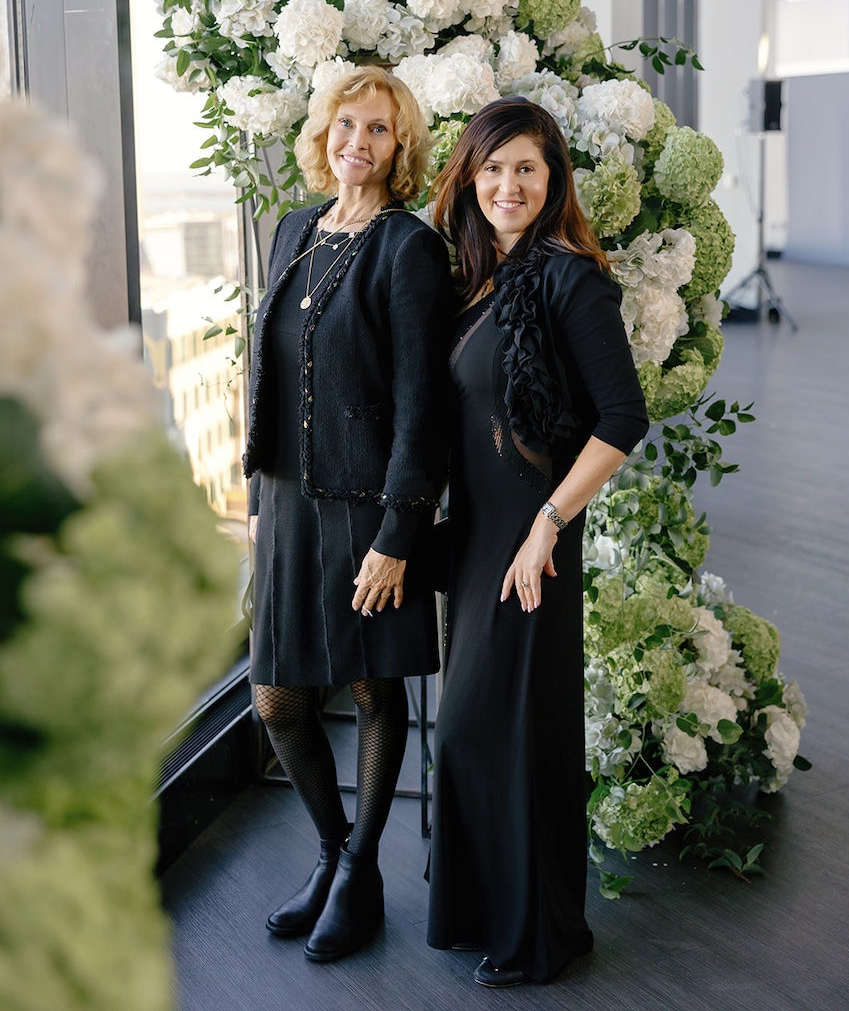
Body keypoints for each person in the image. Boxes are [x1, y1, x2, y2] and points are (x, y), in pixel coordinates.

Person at [426, 97, 649, 988]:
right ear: (470, 177)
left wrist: (548, 525)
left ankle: (540, 938)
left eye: (525, 167)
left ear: (553, 179)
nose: (506, 184)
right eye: (491, 168)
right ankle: (495, 917)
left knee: (505, 732)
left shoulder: (568, 276)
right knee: (480, 731)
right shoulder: (479, 277)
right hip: (481, 535)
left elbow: (623, 419)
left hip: (533, 544)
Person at [244, 66, 451, 963]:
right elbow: (274, 371)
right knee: (276, 696)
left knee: (372, 685)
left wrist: (399, 536)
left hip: (367, 507)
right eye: (346, 124)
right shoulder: (293, 228)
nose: (356, 142)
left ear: (399, 147)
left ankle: (362, 870)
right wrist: (258, 499)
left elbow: (422, 405)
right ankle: (334, 854)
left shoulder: (409, 247)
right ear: (324, 132)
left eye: (378, 129)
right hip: (289, 497)